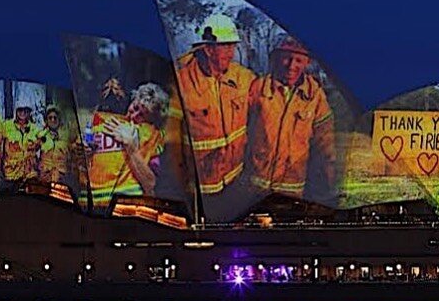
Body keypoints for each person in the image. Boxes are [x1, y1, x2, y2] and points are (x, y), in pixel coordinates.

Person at [246, 37, 336, 202]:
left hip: (291, 192)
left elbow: (325, 146)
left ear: (307, 62)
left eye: (299, 60)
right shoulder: (258, 88)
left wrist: (327, 188)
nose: (291, 66)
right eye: (287, 58)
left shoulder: (315, 97)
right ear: (277, 59)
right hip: (253, 191)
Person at [176, 14, 256, 196]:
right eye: (226, 46)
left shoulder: (244, 78)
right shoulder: (181, 83)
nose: (232, 53)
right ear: (208, 49)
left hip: (236, 180)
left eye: (233, 46)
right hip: (200, 189)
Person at [87, 81, 168, 210]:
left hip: (125, 208)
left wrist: (130, 146)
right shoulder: (101, 120)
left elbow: (151, 184)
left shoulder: (151, 136)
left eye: (142, 115)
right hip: (90, 204)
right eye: (135, 108)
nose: (134, 116)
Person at [0, 98, 39, 182]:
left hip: (29, 175)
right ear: (16, 111)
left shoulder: (35, 129)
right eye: (20, 110)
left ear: (29, 112)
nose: (23, 113)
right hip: (11, 174)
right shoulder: (6, 126)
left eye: (26, 110)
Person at [37, 104, 71, 184]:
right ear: (46, 120)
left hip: (61, 179)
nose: (53, 120)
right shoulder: (40, 135)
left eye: (55, 118)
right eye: (50, 118)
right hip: (45, 179)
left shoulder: (67, 137)